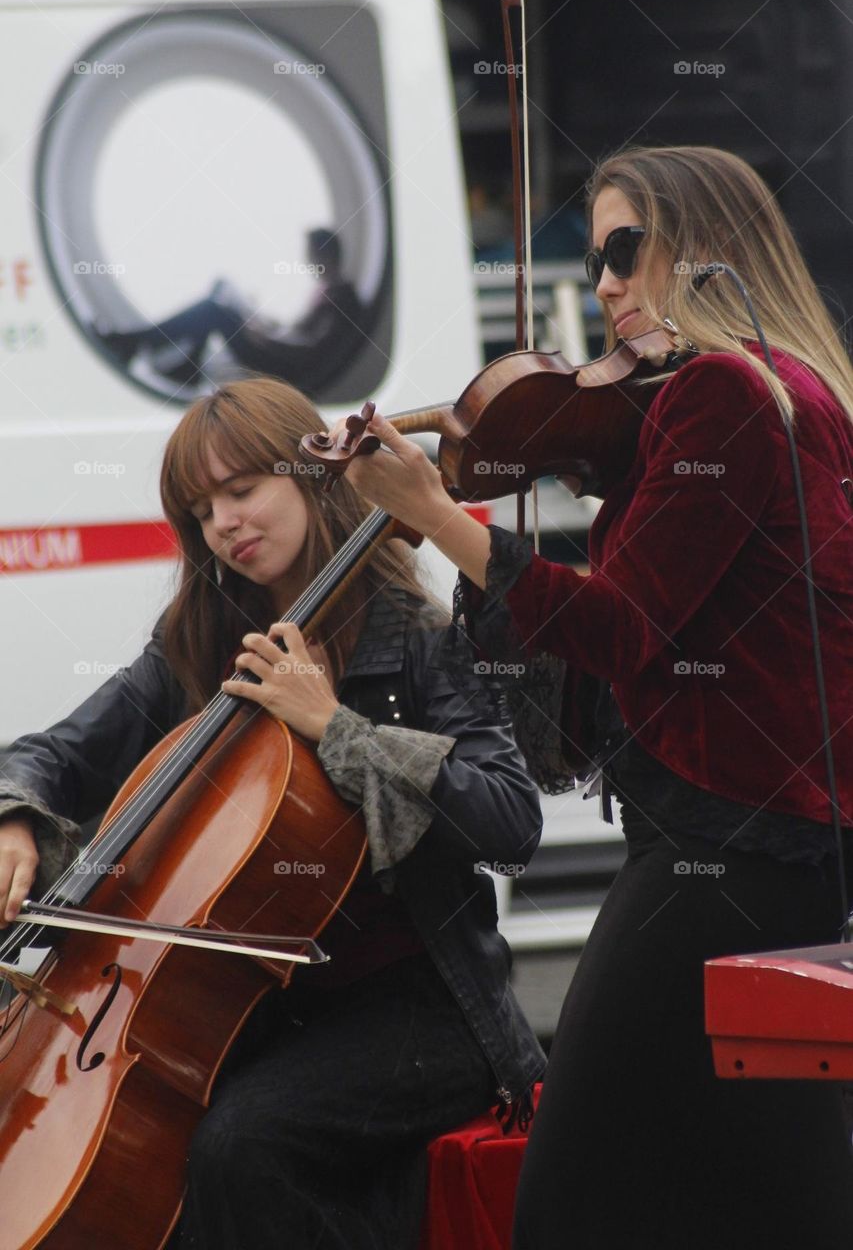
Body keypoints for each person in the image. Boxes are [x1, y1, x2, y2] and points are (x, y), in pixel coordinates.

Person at [341, 145, 853, 1248]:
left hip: (716, 860)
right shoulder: (791, 390)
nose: (605, 283)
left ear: (707, 249)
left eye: (627, 250)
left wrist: (436, 514)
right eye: (596, 258)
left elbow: (619, 629)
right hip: (779, 851)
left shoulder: (725, 392)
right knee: (765, 1194)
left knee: (572, 1195)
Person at [0, 377, 545, 1249]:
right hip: (262, 1012)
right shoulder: (197, 644)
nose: (224, 521)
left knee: (241, 1149)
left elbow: (510, 822)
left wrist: (336, 727)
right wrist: (14, 820)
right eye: (201, 506)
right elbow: (51, 754)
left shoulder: (415, 637)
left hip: (421, 1010)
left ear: (313, 478)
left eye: (243, 489)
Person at [95, 228, 364, 391]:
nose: (307, 261)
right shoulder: (328, 290)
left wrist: (264, 337)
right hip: (277, 349)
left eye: (310, 254)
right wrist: (266, 323)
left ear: (324, 254)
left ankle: (136, 342)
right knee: (222, 287)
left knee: (214, 311)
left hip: (281, 366)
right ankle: (184, 364)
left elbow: (311, 350)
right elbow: (300, 332)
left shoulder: (342, 296)